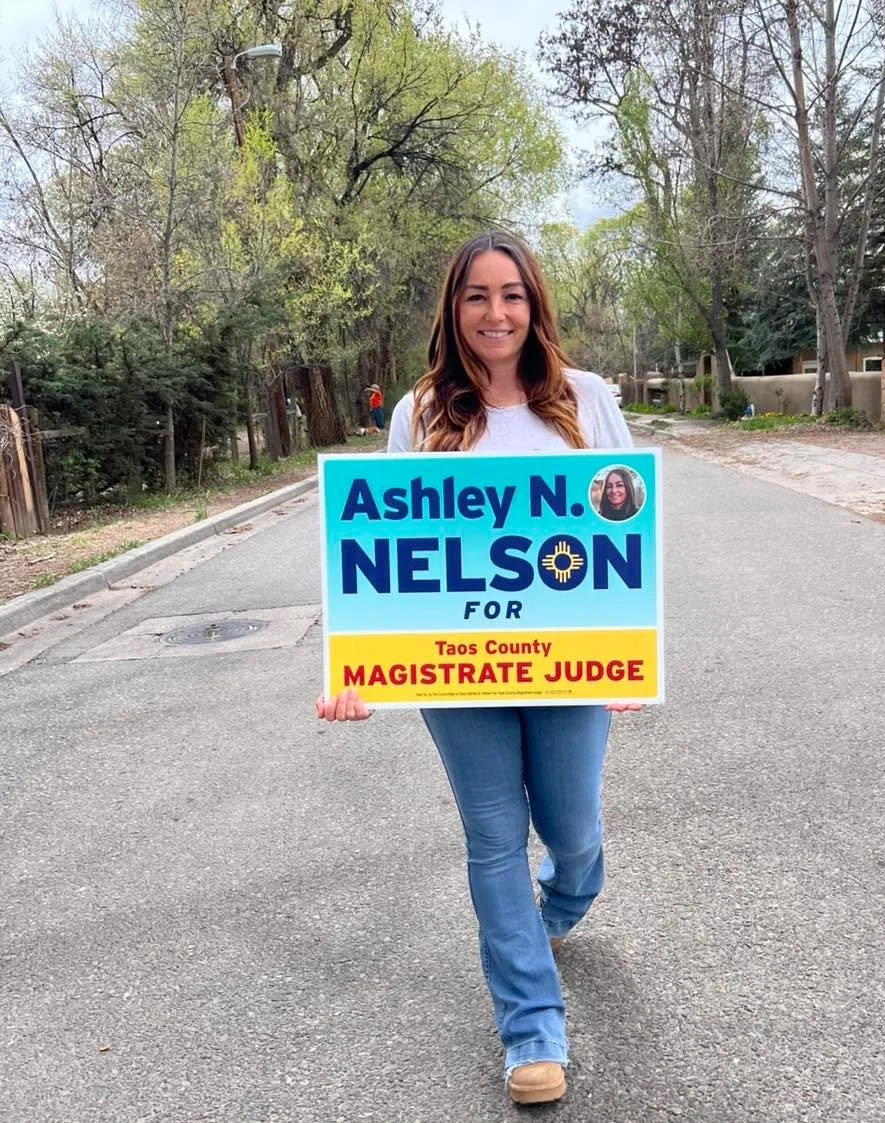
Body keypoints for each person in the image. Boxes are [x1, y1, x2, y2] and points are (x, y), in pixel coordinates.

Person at [315, 231, 642, 1105]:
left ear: (534, 305)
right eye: (477, 296)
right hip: (458, 672)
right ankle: (532, 1026)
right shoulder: (421, 413)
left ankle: (566, 896)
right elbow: (384, 546)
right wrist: (358, 665)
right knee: (494, 836)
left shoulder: (587, 400)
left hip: (568, 666)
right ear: (453, 310)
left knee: (573, 829)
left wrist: (630, 653)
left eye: (511, 295)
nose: (496, 313)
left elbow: (630, 531)